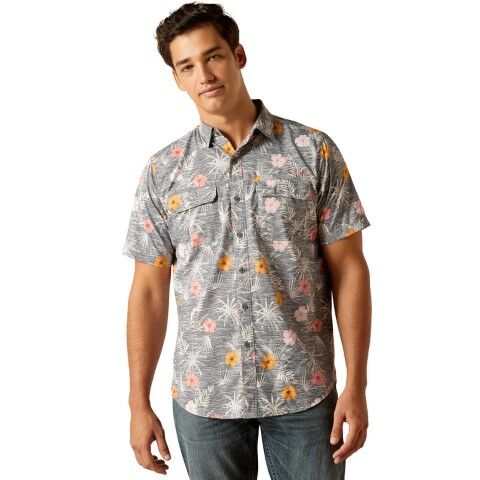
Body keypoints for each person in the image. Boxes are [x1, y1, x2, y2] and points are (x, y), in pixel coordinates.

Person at [122, 2, 372, 478]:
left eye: (213, 56)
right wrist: (138, 402)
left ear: (238, 55)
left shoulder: (313, 151)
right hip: (204, 396)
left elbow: (350, 270)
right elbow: (149, 291)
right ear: (176, 78)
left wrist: (356, 384)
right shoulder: (163, 171)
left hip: (304, 388)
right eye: (187, 66)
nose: (204, 75)